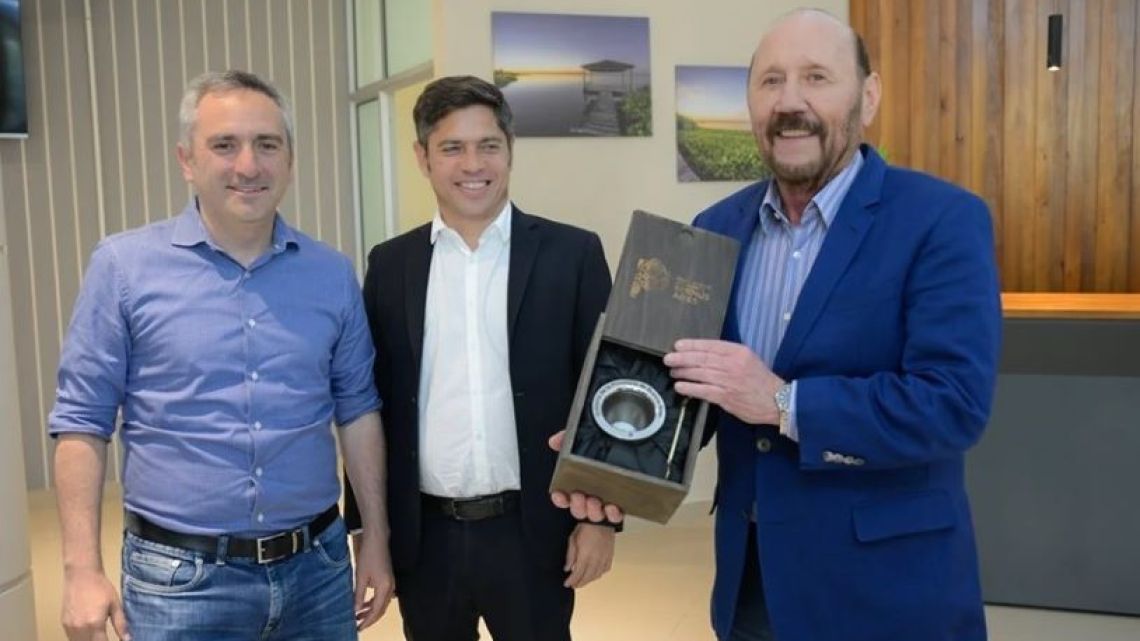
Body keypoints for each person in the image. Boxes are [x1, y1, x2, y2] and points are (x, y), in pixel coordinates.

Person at [552, 9, 1001, 641]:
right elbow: (693, 394)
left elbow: (952, 405)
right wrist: (612, 452)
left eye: (817, 77)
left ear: (868, 96)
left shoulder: (941, 220)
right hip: (753, 586)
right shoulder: (714, 229)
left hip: (889, 589)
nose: (790, 102)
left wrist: (784, 403)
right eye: (770, 81)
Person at [49, 70, 394, 641]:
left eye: (267, 144)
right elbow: (82, 421)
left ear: (289, 160)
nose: (248, 165)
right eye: (225, 145)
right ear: (187, 160)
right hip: (180, 585)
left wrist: (374, 537)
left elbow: (357, 412)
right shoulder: (123, 269)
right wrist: (80, 570)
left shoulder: (332, 274)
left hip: (317, 574)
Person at [343, 75, 616, 641]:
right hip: (426, 539)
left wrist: (600, 520)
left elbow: (604, 393)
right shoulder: (390, 266)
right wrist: (369, 532)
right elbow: (369, 401)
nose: (473, 164)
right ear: (422, 157)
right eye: (452, 148)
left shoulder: (573, 254)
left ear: (509, 150)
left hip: (533, 531)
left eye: (488, 145)